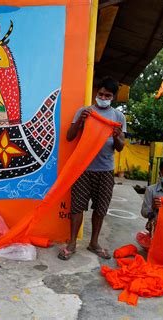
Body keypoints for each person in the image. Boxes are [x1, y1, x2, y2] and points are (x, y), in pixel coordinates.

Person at [58, 76, 126, 260]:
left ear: (113, 97)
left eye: (107, 95)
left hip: (105, 170)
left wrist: (118, 135)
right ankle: (72, 243)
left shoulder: (118, 117)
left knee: (101, 208)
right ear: (96, 93)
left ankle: (93, 242)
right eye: (101, 94)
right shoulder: (85, 112)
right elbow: (70, 137)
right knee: (77, 206)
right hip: (83, 169)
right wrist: (80, 120)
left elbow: (120, 147)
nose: (103, 97)